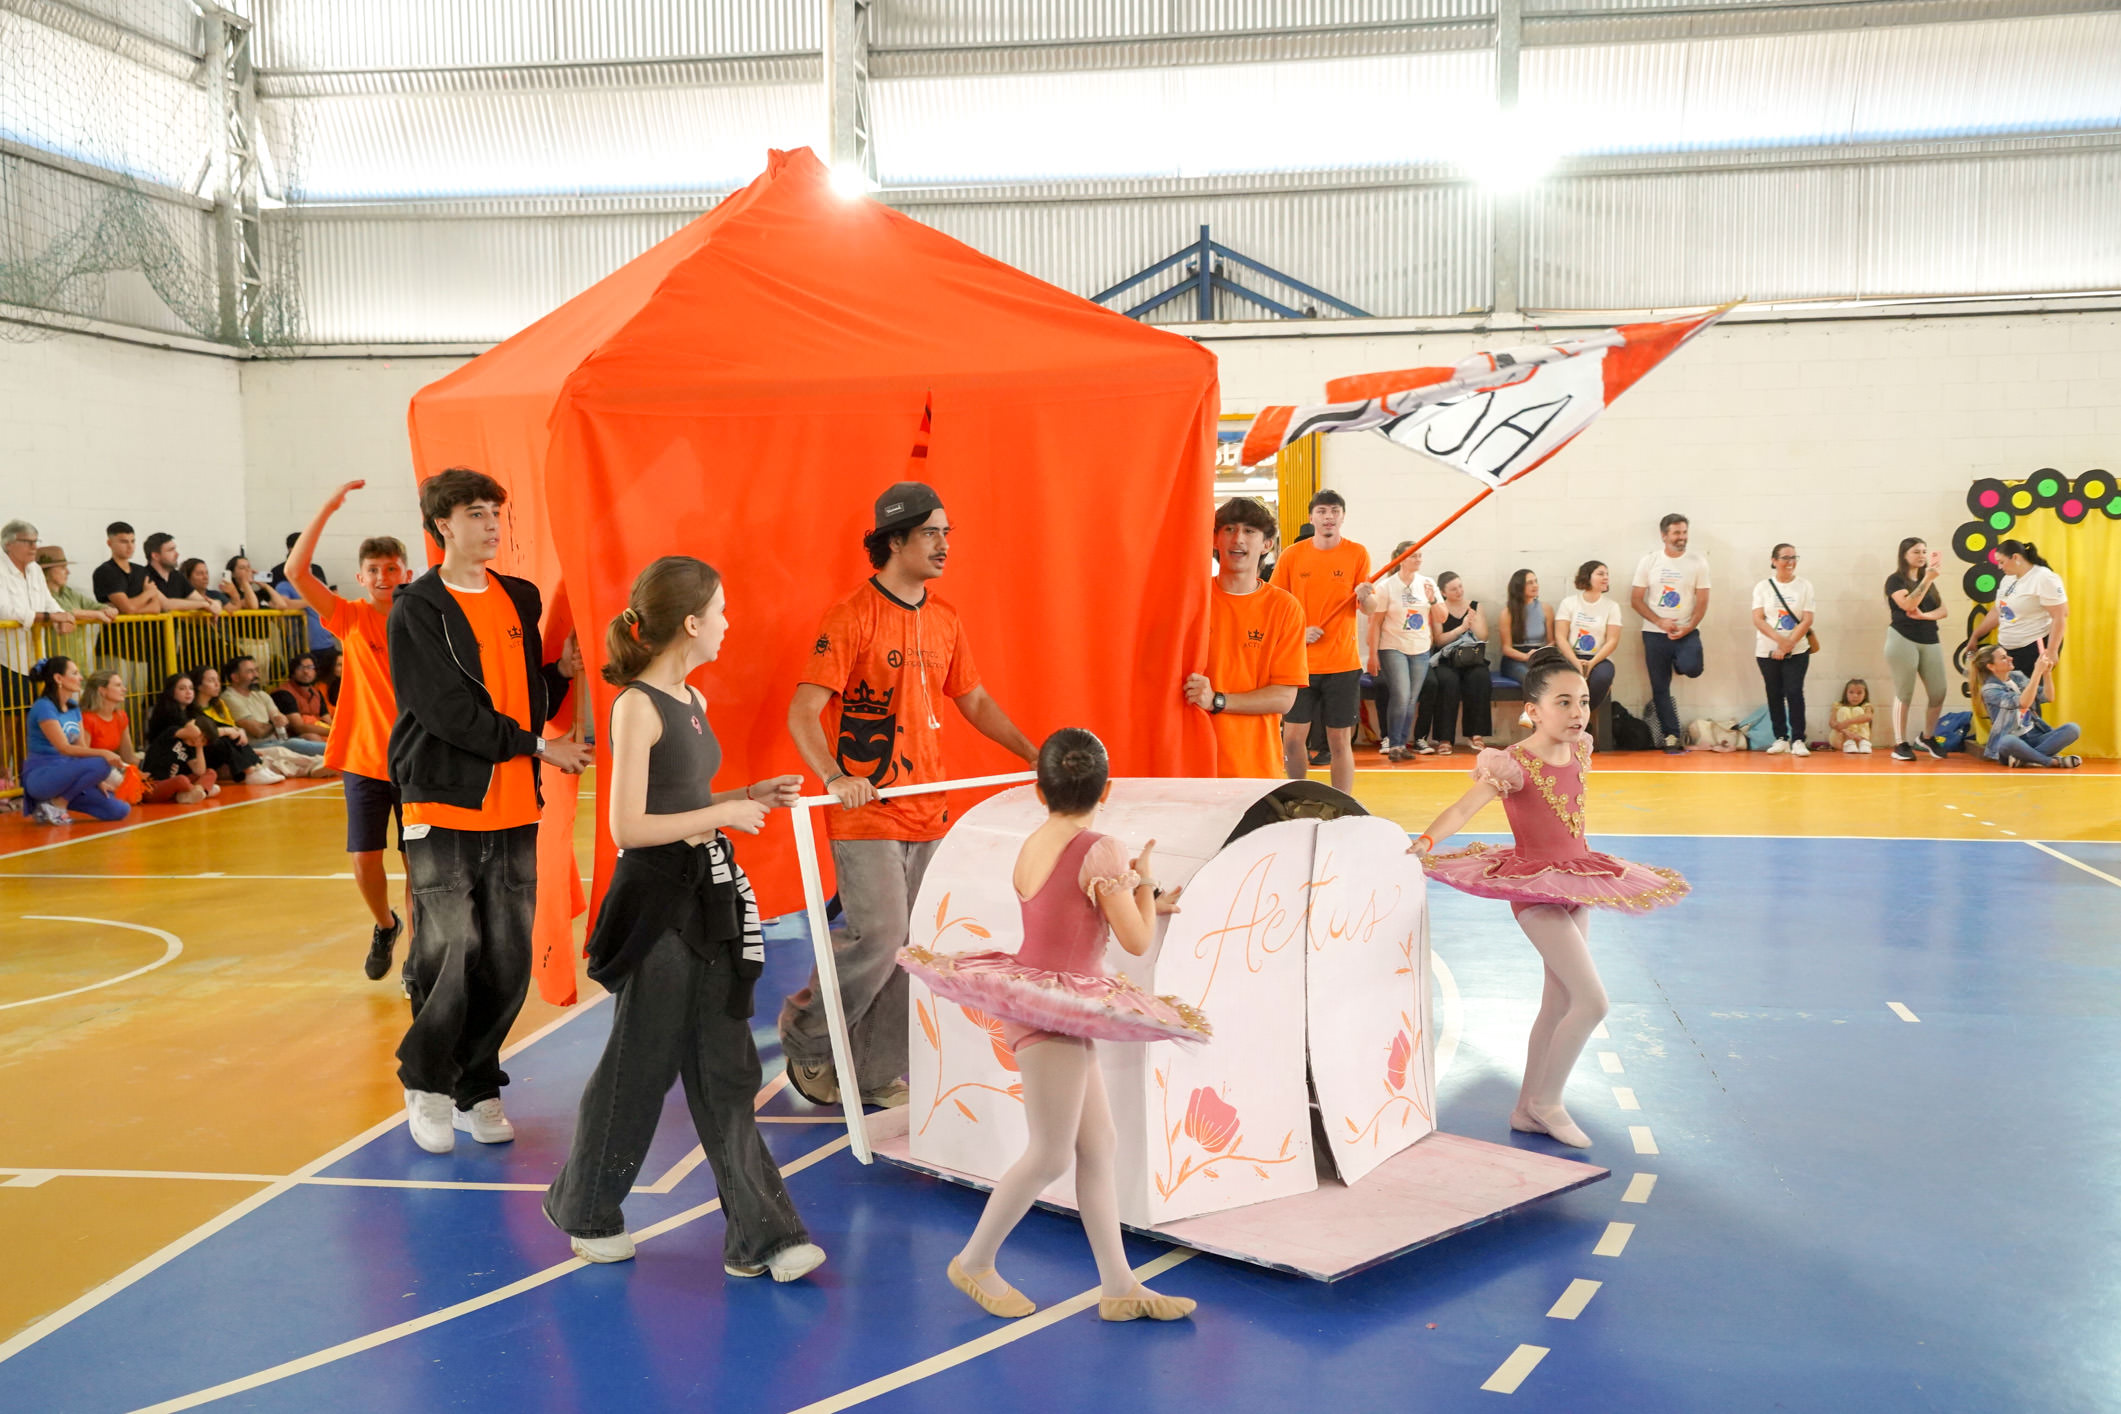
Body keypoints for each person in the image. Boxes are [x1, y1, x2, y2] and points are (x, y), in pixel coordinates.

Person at [544, 556, 826, 1280]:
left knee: (726, 1068)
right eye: (722, 611)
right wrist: (722, 815)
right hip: (655, 906)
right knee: (639, 1067)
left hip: (705, 899)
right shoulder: (635, 706)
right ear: (693, 622)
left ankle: (762, 1238)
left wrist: (745, 794)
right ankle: (586, 1210)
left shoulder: (691, 698)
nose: (729, 623)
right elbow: (628, 828)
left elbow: (683, 800)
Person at [901, 728, 1200, 1323]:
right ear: (1106, 790)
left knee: (1098, 1144)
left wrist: (1141, 896)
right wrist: (1144, 881)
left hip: (1038, 997)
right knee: (1050, 1153)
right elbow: (1136, 940)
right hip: (1056, 1013)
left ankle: (1119, 1286)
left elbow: (1073, 908)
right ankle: (974, 1261)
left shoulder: (1035, 839)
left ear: (1039, 791)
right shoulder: (1103, 848)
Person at [780, 481, 1039, 1112]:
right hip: (866, 811)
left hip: (930, 810)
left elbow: (974, 699)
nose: (945, 544)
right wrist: (834, 777)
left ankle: (875, 1072)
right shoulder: (851, 616)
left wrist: (1032, 753)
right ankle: (808, 1041)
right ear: (894, 541)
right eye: (931, 533)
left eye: (948, 533)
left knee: (914, 944)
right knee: (881, 936)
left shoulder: (946, 618)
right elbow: (803, 711)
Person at [1409, 647, 1689, 1149]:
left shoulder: (1580, 749)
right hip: (1535, 889)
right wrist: (1426, 841)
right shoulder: (1512, 764)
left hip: (1578, 881)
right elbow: (1463, 809)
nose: (1578, 712)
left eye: (1582, 701)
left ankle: (1525, 1109)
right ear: (1533, 711)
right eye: (1564, 702)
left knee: (1558, 1002)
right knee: (1593, 1001)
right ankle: (1549, 1102)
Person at [387, 467, 591, 1154]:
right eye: (476, 513)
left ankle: (476, 1086)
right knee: (448, 954)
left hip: (514, 805)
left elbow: (523, 697)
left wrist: (559, 676)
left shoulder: (518, 598)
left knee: (504, 961)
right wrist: (540, 746)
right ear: (442, 524)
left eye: (495, 513)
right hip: (441, 803)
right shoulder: (418, 608)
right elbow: (446, 711)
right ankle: (428, 1084)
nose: (491, 525)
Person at [288, 482, 414, 978]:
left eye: (392, 568)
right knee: (365, 859)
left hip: (415, 760)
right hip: (364, 759)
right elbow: (296, 572)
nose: (383, 577)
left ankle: (419, 960)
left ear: (406, 573)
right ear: (361, 577)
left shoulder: (422, 620)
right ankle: (385, 925)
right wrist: (327, 508)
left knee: (419, 865)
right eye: (374, 570)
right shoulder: (350, 617)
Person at [1185, 497, 1307, 777]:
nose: (1238, 538)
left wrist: (1217, 700)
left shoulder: (1283, 608)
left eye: (1249, 531)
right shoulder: (1191, 601)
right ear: (1215, 539)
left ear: (1267, 544)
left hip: (1256, 768)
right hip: (1193, 767)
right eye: (1229, 529)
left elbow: (1283, 697)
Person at [1271, 490, 1376, 793]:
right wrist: (1298, 633)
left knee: (1339, 740)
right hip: (1299, 664)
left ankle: (1343, 802)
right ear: (1311, 517)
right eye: (1322, 511)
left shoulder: (1357, 553)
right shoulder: (1292, 555)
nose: (1328, 517)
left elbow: (1369, 608)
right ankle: (1296, 795)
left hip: (1342, 663)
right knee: (1293, 738)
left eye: (1334, 511)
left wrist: (1366, 597)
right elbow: (1274, 605)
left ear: (1342, 516)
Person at [1630, 513, 1711, 755]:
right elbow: (1636, 599)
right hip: (1655, 633)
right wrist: (1659, 621)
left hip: (1686, 631)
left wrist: (1689, 626)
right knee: (1660, 686)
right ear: (1664, 535)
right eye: (1676, 533)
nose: (1681, 537)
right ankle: (1671, 736)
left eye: (1684, 532)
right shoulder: (1649, 561)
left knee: (1692, 667)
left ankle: (1679, 661)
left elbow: (1703, 601)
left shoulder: (1698, 562)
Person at [21, 657, 129, 825]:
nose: (81, 677)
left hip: (68, 775)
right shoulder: (44, 707)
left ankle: (51, 804)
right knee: (102, 762)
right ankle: (58, 804)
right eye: (75, 673)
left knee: (120, 810)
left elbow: (82, 748)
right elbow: (64, 748)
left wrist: (96, 779)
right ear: (58, 678)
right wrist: (104, 753)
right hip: (43, 777)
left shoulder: (72, 706)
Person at [81, 669, 205, 804]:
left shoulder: (121, 716)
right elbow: (83, 756)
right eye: (118, 685)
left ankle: (186, 790)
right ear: (102, 690)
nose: (124, 689)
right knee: (138, 793)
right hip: (96, 770)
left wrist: (145, 770)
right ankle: (182, 791)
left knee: (149, 781)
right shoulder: (87, 718)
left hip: (117, 767)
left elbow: (128, 756)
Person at [1367, 541, 1442, 761]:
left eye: (1420, 555)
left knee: (1411, 698)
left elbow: (1442, 616)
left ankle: (1401, 744)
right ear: (1400, 559)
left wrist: (1433, 599)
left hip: (1420, 648)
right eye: (1413, 555)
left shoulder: (1427, 583)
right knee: (1401, 694)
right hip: (1392, 646)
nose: (1418, 559)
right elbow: (1375, 623)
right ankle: (1394, 744)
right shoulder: (1386, 586)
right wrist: (1372, 655)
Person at [1883, 537, 1951, 763]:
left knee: (1939, 691)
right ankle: (1900, 743)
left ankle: (1927, 738)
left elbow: (1943, 611)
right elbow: (1908, 604)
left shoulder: (1927, 580)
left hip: (1929, 638)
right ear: (1904, 555)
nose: (1922, 556)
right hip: (1902, 638)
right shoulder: (1895, 580)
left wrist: (1925, 616)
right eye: (1916, 552)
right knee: (1905, 692)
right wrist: (1928, 578)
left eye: (1924, 551)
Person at [1965, 540, 2068, 684]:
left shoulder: (2044, 577)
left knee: (2028, 694)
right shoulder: (2008, 579)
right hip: (2007, 649)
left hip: (2032, 648)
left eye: (2002, 562)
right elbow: (1999, 610)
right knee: (2007, 693)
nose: (1999, 567)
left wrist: (2052, 651)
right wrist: (1976, 635)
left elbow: (2060, 615)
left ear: (2016, 557)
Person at [1750, 543, 1815, 757]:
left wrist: (1789, 644)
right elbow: (1758, 619)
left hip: (1797, 650)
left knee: (1794, 692)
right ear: (1774, 561)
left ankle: (1798, 739)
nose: (1790, 562)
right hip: (1767, 650)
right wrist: (1780, 641)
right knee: (1774, 692)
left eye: (1794, 557)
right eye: (1785, 557)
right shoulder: (1762, 587)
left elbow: (1807, 619)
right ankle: (1780, 738)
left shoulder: (1804, 586)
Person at [1416, 572, 1491, 756]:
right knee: (1447, 681)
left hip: (1471, 657)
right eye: (1453, 589)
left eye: (1460, 586)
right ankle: (1445, 738)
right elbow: (1439, 640)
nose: (1459, 591)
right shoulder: (1439, 609)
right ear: (1443, 592)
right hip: (1447, 659)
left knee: (1480, 677)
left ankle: (1476, 733)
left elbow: (1483, 636)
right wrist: (1461, 628)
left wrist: (1472, 622)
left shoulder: (1475, 606)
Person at [1, 520, 78, 693]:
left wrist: (61, 617)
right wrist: (50, 617)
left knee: (34, 705)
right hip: (5, 658)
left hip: (35, 655)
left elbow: (48, 600)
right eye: (27, 542)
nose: (34, 546)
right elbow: (4, 611)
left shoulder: (35, 569)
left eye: (36, 541)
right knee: (12, 707)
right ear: (8, 544)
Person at [1976, 645, 2081, 769]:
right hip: (2014, 741)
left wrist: (2046, 673)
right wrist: (2037, 672)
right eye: (2004, 658)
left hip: (2034, 735)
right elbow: (2023, 702)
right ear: (1991, 666)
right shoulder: (1989, 690)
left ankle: (2026, 759)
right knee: (2007, 741)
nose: (2010, 658)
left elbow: (2048, 697)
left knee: (2073, 729)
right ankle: (2051, 762)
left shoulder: (2017, 676)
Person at [220, 655, 329, 758]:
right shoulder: (229, 698)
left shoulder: (260, 694)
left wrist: (273, 723)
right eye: (250, 671)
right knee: (294, 744)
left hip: (276, 742)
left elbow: (283, 721)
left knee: (304, 740)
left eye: (256, 670)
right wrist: (274, 724)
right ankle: (336, 751)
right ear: (235, 677)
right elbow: (258, 731)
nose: (256, 675)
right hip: (254, 747)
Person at [186, 663, 278, 784]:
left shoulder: (219, 704)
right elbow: (205, 734)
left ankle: (257, 767)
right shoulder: (191, 711)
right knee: (226, 740)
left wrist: (240, 731)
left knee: (236, 737)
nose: (217, 684)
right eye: (211, 680)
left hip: (233, 748)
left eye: (218, 680)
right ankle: (251, 771)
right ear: (198, 685)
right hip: (206, 751)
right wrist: (229, 731)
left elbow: (231, 725)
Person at [140, 674, 222, 800]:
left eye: (191, 688)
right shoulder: (172, 732)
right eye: (182, 688)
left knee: (210, 772)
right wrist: (193, 722)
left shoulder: (190, 746)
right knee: (181, 780)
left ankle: (197, 791)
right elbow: (193, 731)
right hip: (153, 785)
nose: (200, 742)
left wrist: (199, 746)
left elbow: (199, 771)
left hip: (173, 785)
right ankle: (200, 791)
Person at [1555, 561, 1622, 713]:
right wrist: (1575, 662)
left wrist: (1592, 663)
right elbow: (1560, 636)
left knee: (1602, 678)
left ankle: (1583, 717)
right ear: (1587, 577)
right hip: (1571, 656)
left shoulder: (1612, 606)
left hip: (1599, 658)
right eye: (1600, 574)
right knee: (1566, 681)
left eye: (1607, 574)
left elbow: (1612, 640)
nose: (1606, 577)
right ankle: (1567, 719)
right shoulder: (1569, 603)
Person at [33, 546, 115, 667]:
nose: (68, 572)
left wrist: (107, 609)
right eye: (62, 568)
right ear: (47, 571)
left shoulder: (68, 592)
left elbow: (93, 605)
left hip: (77, 660)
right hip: (55, 664)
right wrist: (97, 614)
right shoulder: (39, 594)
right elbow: (61, 612)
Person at [1496, 568, 1555, 687]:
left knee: (1554, 678)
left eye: (1536, 581)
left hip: (1540, 655)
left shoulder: (1546, 609)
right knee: (1531, 678)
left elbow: (1552, 641)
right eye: (1530, 583)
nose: (1535, 585)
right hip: (1515, 658)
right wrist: (1526, 657)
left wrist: (1540, 655)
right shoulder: (1507, 613)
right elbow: (1506, 648)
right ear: (1519, 586)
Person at [92, 524, 165, 616]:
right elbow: (128, 608)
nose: (130, 546)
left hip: (146, 625)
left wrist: (126, 609)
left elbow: (155, 608)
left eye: (132, 541)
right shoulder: (105, 572)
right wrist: (148, 593)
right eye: (124, 542)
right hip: (118, 626)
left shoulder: (141, 571)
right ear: (109, 543)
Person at [142, 533, 221, 615]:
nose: (177, 554)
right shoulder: (143, 575)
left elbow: (199, 599)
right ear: (155, 556)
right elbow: (166, 605)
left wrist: (214, 603)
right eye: (170, 550)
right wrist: (203, 604)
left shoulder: (177, 576)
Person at [272, 653, 333, 742]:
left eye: (310, 667)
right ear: (293, 672)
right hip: (289, 738)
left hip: (319, 733)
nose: (306, 671)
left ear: (315, 671)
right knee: (311, 737)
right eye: (300, 668)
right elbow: (298, 728)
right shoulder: (283, 693)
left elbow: (327, 720)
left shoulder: (316, 693)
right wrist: (333, 732)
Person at [222, 555, 291, 612]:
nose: (248, 570)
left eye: (248, 567)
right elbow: (253, 606)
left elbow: (282, 605)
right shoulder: (232, 595)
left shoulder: (259, 593)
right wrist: (245, 582)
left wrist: (265, 586)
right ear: (233, 574)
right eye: (242, 568)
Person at [1829, 680, 1874, 754]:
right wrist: (1847, 732)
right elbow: (1832, 722)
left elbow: (1868, 716)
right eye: (1851, 692)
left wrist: (1847, 722)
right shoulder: (1837, 705)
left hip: (1858, 741)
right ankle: (1849, 741)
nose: (1855, 696)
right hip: (1840, 740)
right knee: (1844, 710)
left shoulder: (1866, 706)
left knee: (1858, 710)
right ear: (1846, 693)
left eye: (1859, 693)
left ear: (1865, 695)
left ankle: (1863, 741)